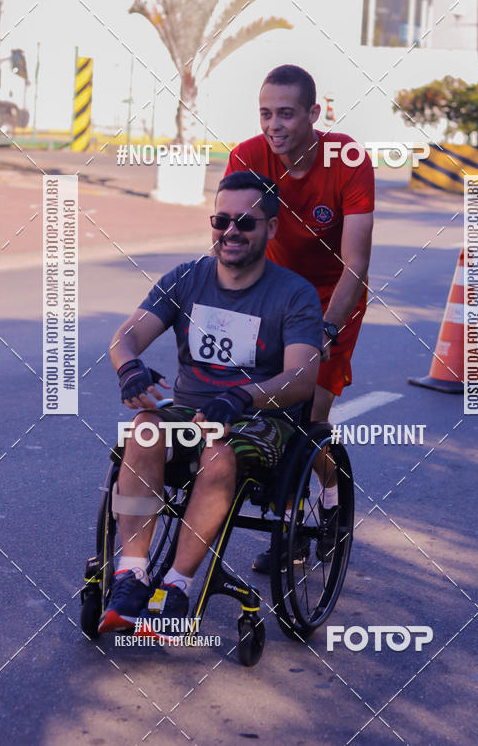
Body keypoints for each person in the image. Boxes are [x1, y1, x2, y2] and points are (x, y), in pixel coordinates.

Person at [98, 171, 322, 635]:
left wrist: (242, 395)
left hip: (261, 417)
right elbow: (127, 335)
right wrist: (128, 367)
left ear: (271, 228)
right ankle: (131, 576)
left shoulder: (294, 294)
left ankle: (176, 586)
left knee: (219, 453)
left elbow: (302, 378)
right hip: (191, 411)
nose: (231, 232)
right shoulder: (186, 279)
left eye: (246, 222)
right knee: (143, 427)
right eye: (222, 221)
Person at [225, 64, 374, 573]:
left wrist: (325, 329)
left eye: (285, 113)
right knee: (263, 411)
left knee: (309, 418)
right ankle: (285, 525)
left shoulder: (348, 159)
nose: (274, 124)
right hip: (275, 295)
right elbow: (230, 240)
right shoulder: (247, 155)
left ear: (315, 113)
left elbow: (356, 261)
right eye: (265, 113)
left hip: (334, 298)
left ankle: (331, 501)